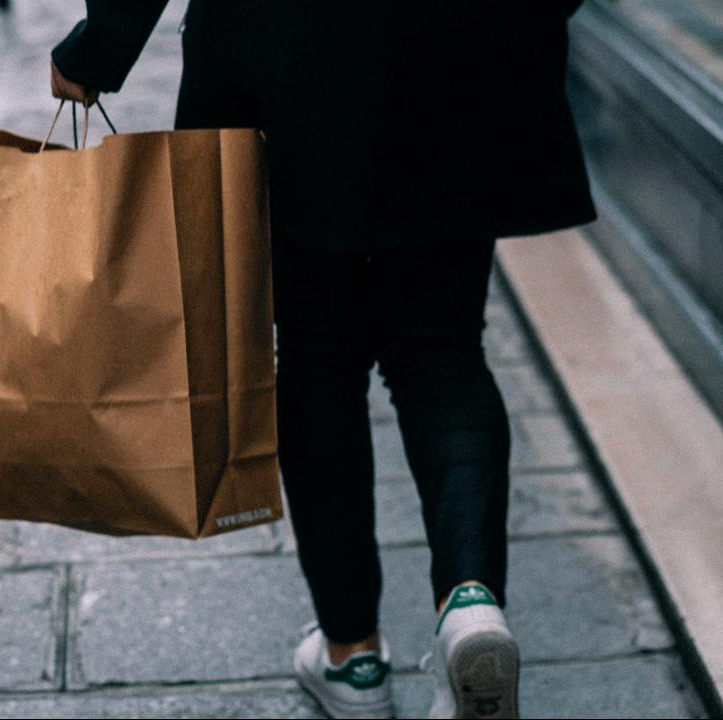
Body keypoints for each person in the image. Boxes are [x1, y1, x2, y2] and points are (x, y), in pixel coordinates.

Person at [49, 2, 595, 718]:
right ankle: (471, 602)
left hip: (285, 54)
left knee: (318, 358)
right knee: (443, 350)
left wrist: (99, 49)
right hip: (461, 58)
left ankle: (353, 656)